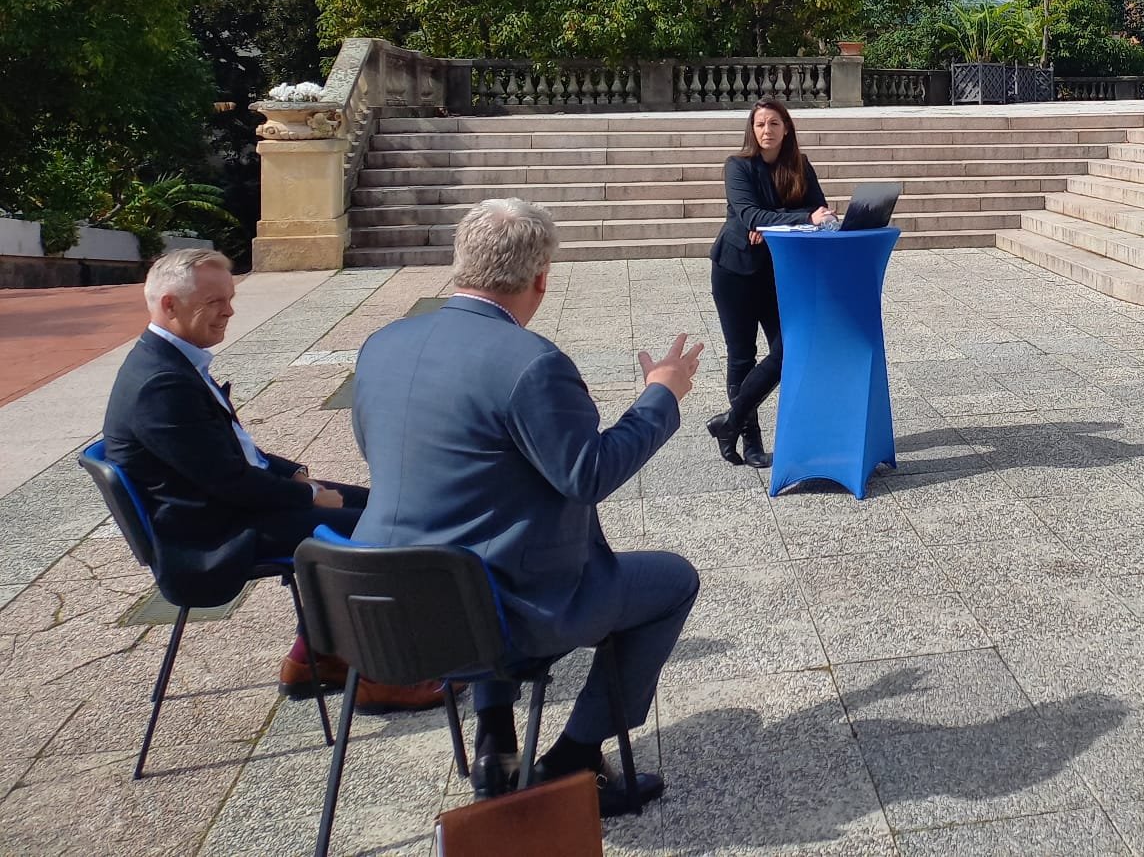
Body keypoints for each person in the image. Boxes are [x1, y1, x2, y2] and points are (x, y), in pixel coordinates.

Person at [350, 199, 703, 814]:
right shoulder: (532, 363)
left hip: (384, 602)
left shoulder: (381, 344)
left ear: (460, 261)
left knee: (475, 552)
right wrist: (659, 396)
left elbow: (375, 449)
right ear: (541, 278)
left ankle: (496, 738)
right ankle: (573, 757)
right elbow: (588, 474)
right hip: (500, 610)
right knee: (672, 582)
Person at [101, 248, 441, 712]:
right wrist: (307, 495)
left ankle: (315, 657)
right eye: (214, 301)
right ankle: (382, 678)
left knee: (386, 503)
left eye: (230, 297)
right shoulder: (159, 384)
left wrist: (294, 475)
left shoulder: (170, 362)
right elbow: (230, 482)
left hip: (227, 509)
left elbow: (233, 453)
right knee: (383, 529)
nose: (229, 310)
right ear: (169, 305)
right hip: (212, 535)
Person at [705, 96, 835, 466]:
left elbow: (820, 212)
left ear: (787, 128)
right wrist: (792, 218)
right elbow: (748, 214)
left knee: (790, 349)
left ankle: (730, 420)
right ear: (752, 129)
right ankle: (750, 442)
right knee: (741, 356)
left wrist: (775, 221)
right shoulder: (738, 167)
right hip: (735, 271)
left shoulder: (800, 166)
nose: (766, 130)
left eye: (774, 123)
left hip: (780, 273)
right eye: (760, 124)